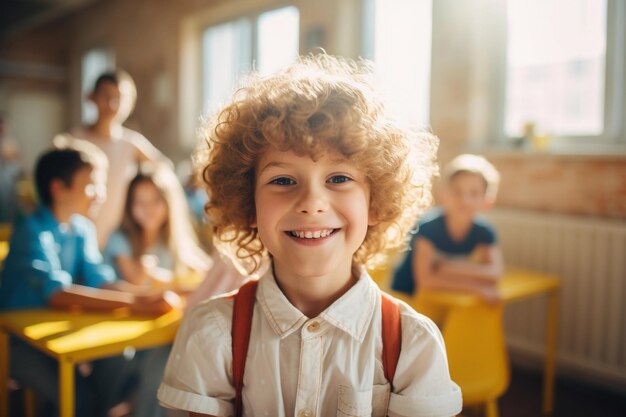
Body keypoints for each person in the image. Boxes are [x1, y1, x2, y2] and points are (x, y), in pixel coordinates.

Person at [158, 54, 462, 417]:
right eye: (283, 180)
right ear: (249, 205)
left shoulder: (413, 342)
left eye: (339, 178)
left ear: (375, 203)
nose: (312, 203)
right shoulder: (211, 333)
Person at [0, 143, 179, 417]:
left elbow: (100, 279)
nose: (101, 194)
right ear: (59, 189)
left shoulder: (81, 228)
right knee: (79, 398)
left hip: (56, 335)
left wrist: (143, 297)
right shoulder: (32, 231)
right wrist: (137, 304)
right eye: (92, 185)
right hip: (15, 342)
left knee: (118, 364)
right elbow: (58, 294)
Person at [58, 69, 170, 249]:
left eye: (119, 98)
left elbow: (164, 167)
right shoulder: (74, 141)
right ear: (91, 97)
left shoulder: (132, 143)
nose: (112, 104)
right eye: (106, 96)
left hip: (115, 242)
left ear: (130, 103)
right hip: (73, 238)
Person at [391, 153, 504, 303]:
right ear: (445, 194)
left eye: (474, 193)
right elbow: (425, 281)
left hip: (444, 298)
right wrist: (475, 287)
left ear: (487, 200)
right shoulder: (427, 228)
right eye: (457, 192)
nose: (465, 200)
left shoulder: (484, 232)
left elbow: (495, 273)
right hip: (408, 297)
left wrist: (448, 267)